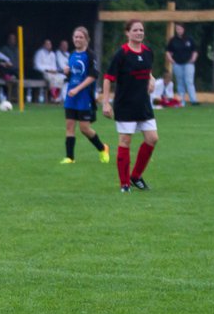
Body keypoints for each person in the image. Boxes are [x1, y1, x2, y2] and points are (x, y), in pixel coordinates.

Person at [101, 19, 158, 192]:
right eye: (135, 30)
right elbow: (108, 78)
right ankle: (124, 183)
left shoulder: (148, 52)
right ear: (128, 33)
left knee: (152, 139)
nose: (139, 33)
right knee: (125, 141)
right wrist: (105, 103)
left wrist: (152, 79)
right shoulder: (121, 54)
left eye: (141, 30)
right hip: (125, 105)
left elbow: (147, 71)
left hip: (143, 105)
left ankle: (136, 176)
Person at [59, 25, 110, 165]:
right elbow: (73, 76)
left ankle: (103, 148)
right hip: (71, 96)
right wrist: (67, 72)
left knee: (84, 129)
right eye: (76, 37)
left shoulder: (90, 55)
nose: (78, 39)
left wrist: (78, 89)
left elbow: (93, 75)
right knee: (69, 126)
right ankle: (70, 157)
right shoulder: (72, 54)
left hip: (84, 97)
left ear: (87, 39)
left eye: (81, 37)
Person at [165, 23, 199, 107]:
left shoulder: (189, 39)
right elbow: (168, 51)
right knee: (180, 83)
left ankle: (193, 100)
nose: (179, 30)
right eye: (177, 29)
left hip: (188, 63)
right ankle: (181, 101)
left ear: (183, 29)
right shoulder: (173, 40)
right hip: (177, 64)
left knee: (189, 81)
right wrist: (171, 60)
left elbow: (194, 50)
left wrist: (193, 59)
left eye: (180, 29)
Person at [33, 39, 62, 103]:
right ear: (44, 45)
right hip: (41, 72)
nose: (49, 45)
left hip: (52, 72)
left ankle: (55, 96)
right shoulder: (39, 53)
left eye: (50, 44)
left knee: (60, 78)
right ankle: (54, 97)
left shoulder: (52, 54)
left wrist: (53, 70)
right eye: (47, 44)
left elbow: (54, 65)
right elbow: (37, 65)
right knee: (51, 78)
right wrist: (48, 70)